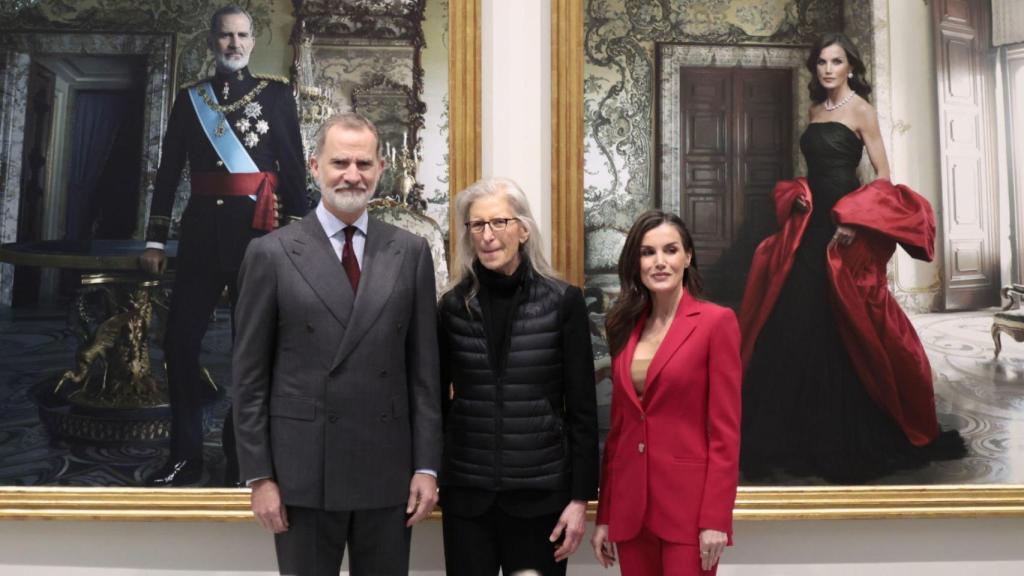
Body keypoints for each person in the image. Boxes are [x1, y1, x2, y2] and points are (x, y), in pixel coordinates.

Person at [738, 32, 965, 484]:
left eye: (836, 61)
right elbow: (815, 170)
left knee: (841, 318)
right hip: (810, 222)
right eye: (821, 62)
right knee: (794, 316)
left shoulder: (862, 110)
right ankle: (787, 437)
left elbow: (883, 175)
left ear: (851, 67)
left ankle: (843, 433)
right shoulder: (814, 110)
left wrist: (856, 220)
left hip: (844, 226)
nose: (827, 69)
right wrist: (801, 196)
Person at [232, 112, 441, 575]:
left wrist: (427, 467)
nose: (352, 175)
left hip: (387, 470)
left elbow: (425, 374)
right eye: (340, 162)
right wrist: (260, 476)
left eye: (363, 163)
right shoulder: (271, 253)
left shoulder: (410, 252)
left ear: (380, 169)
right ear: (315, 167)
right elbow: (248, 378)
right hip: (301, 473)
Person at [139, 4, 307, 487]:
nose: (234, 44)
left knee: (249, 351)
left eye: (242, 35)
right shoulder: (190, 99)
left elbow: (294, 169)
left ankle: (242, 459)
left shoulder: (275, 95)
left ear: (253, 41)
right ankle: (184, 455)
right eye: (225, 36)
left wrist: (296, 238)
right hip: (199, 239)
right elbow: (169, 172)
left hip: (259, 238)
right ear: (212, 40)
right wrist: (155, 238)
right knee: (178, 343)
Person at [437, 177, 599, 575]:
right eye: (477, 225)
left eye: (499, 222)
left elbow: (582, 411)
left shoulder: (563, 302)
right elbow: (436, 403)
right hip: (468, 498)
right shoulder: (452, 307)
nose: (488, 235)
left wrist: (580, 500)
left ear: (523, 230)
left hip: (540, 499)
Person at [591, 210, 741, 576]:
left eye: (670, 250)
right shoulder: (623, 325)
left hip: (688, 512)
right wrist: (606, 514)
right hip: (630, 511)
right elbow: (619, 432)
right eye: (648, 253)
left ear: (687, 257)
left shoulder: (716, 323)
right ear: (636, 263)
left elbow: (725, 433)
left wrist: (715, 518)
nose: (659, 262)